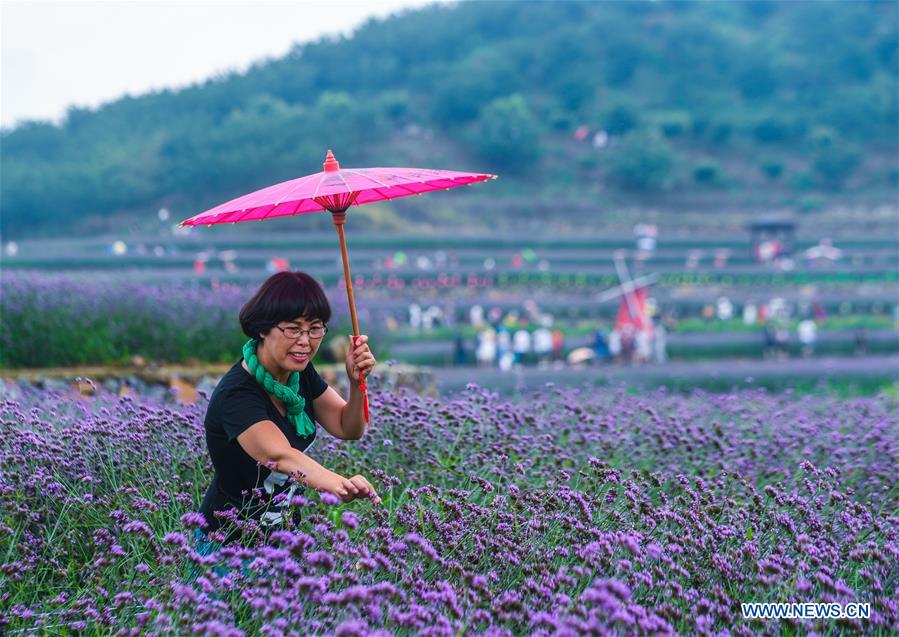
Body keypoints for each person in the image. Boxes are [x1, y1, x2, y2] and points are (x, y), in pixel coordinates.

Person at [196, 271, 380, 550]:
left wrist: (356, 384)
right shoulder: (237, 393)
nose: (305, 341)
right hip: (227, 547)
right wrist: (340, 484)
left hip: (283, 544)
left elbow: (348, 426)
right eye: (293, 329)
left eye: (315, 328)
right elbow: (279, 456)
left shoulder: (300, 374)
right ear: (262, 328)